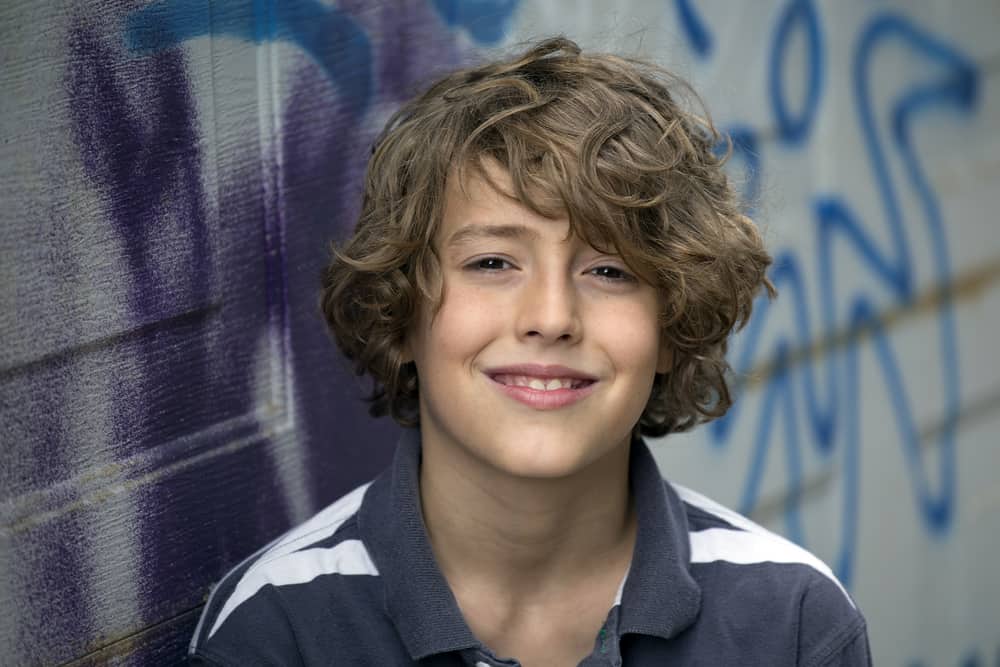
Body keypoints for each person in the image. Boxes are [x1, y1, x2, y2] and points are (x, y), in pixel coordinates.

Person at [188, 37, 871, 666]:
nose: (551, 318)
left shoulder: (793, 620)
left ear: (672, 327)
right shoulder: (280, 626)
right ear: (399, 316)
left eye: (610, 270)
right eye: (491, 262)